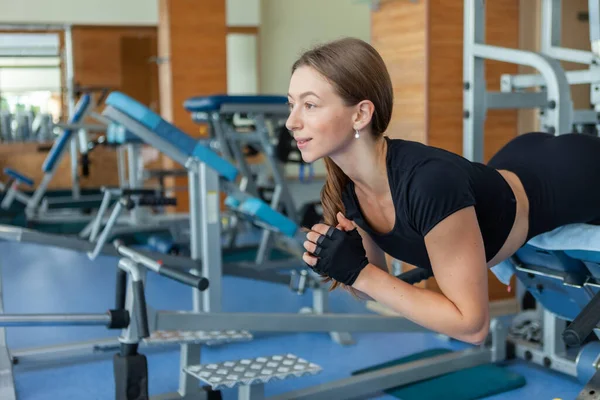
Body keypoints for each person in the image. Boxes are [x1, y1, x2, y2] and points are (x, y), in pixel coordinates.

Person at [285, 37, 600, 345]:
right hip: (517, 162)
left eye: (309, 105)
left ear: (360, 114)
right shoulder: (345, 191)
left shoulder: (427, 184)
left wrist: (360, 273)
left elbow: (472, 327)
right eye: (291, 104)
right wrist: (346, 266)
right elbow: (374, 285)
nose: (291, 121)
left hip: (573, 174)